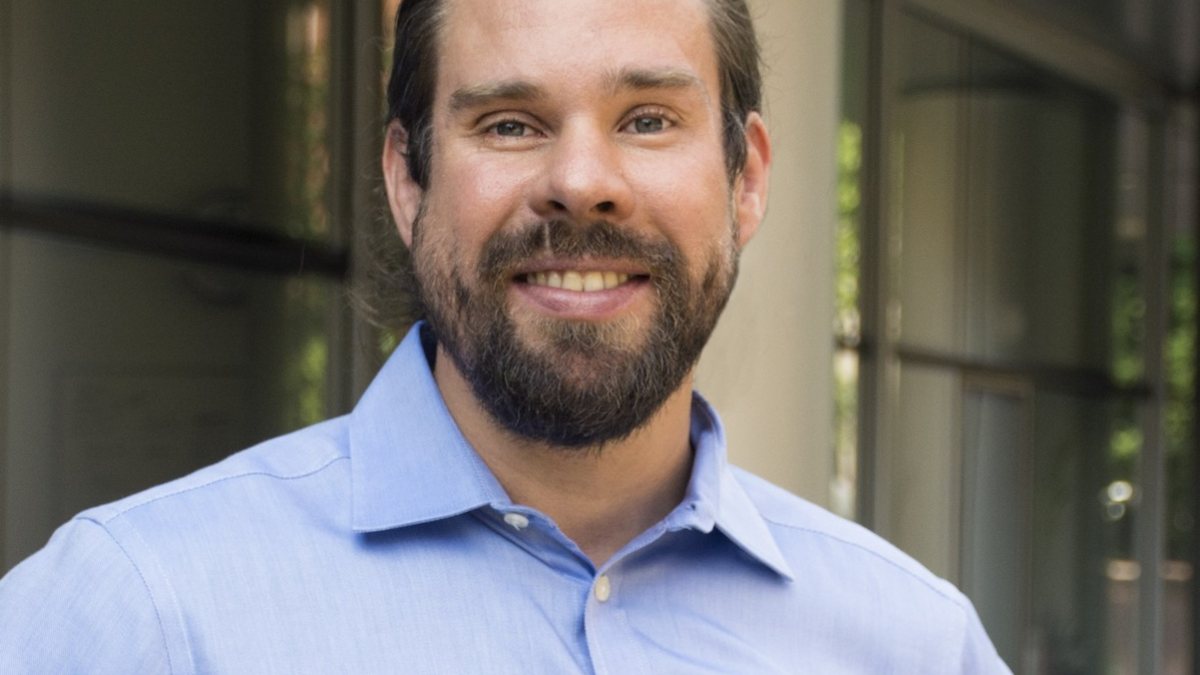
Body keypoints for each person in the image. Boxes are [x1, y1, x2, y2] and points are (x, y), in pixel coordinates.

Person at [0, 0, 1010, 672]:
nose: (582, 181)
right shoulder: (137, 612)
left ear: (746, 178)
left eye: (649, 119)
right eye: (510, 124)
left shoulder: (914, 644)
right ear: (409, 182)